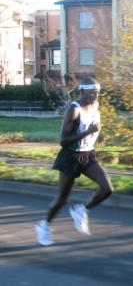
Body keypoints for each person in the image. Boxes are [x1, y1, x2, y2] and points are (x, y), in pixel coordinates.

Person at [35, 77, 114, 246]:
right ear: (82, 92)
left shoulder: (94, 106)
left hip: (87, 155)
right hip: (70, 157)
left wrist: (97, 135)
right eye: (92, 92)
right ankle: (44, 225)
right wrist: (88, 132)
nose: (95, 96)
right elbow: (63, 140)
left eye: (98, 92)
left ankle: (81, 211)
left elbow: (93, 127)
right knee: (63, 199)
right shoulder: (74, 110)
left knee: (107, 189)